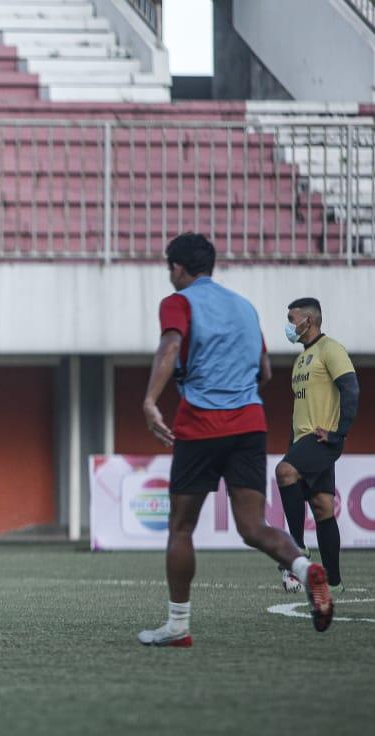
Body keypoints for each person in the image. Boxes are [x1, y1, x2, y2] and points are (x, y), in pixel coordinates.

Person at [139, 233, 332, 646]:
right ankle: (303, 569)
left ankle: (177, 626)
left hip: (201, 424)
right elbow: (263, 371)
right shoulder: (244, 307)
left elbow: (171, 345)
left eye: (168, 267)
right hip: (249, 424)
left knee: (181, 528)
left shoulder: (178, 302)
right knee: (253, 526)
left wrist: (151, 401)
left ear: (178, 268)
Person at [276, 298, 359, 593]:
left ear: (308, 321)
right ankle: (334, 583)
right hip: (303, 441)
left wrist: (340, 434)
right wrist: (291, 443)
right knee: (323, 507)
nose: (288, 324)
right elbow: (300, 408)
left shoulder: (331, 349)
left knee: (284, 472)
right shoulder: (300, 360)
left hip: (322, 438)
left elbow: (351, 388)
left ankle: (296, 548)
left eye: (291, 318)